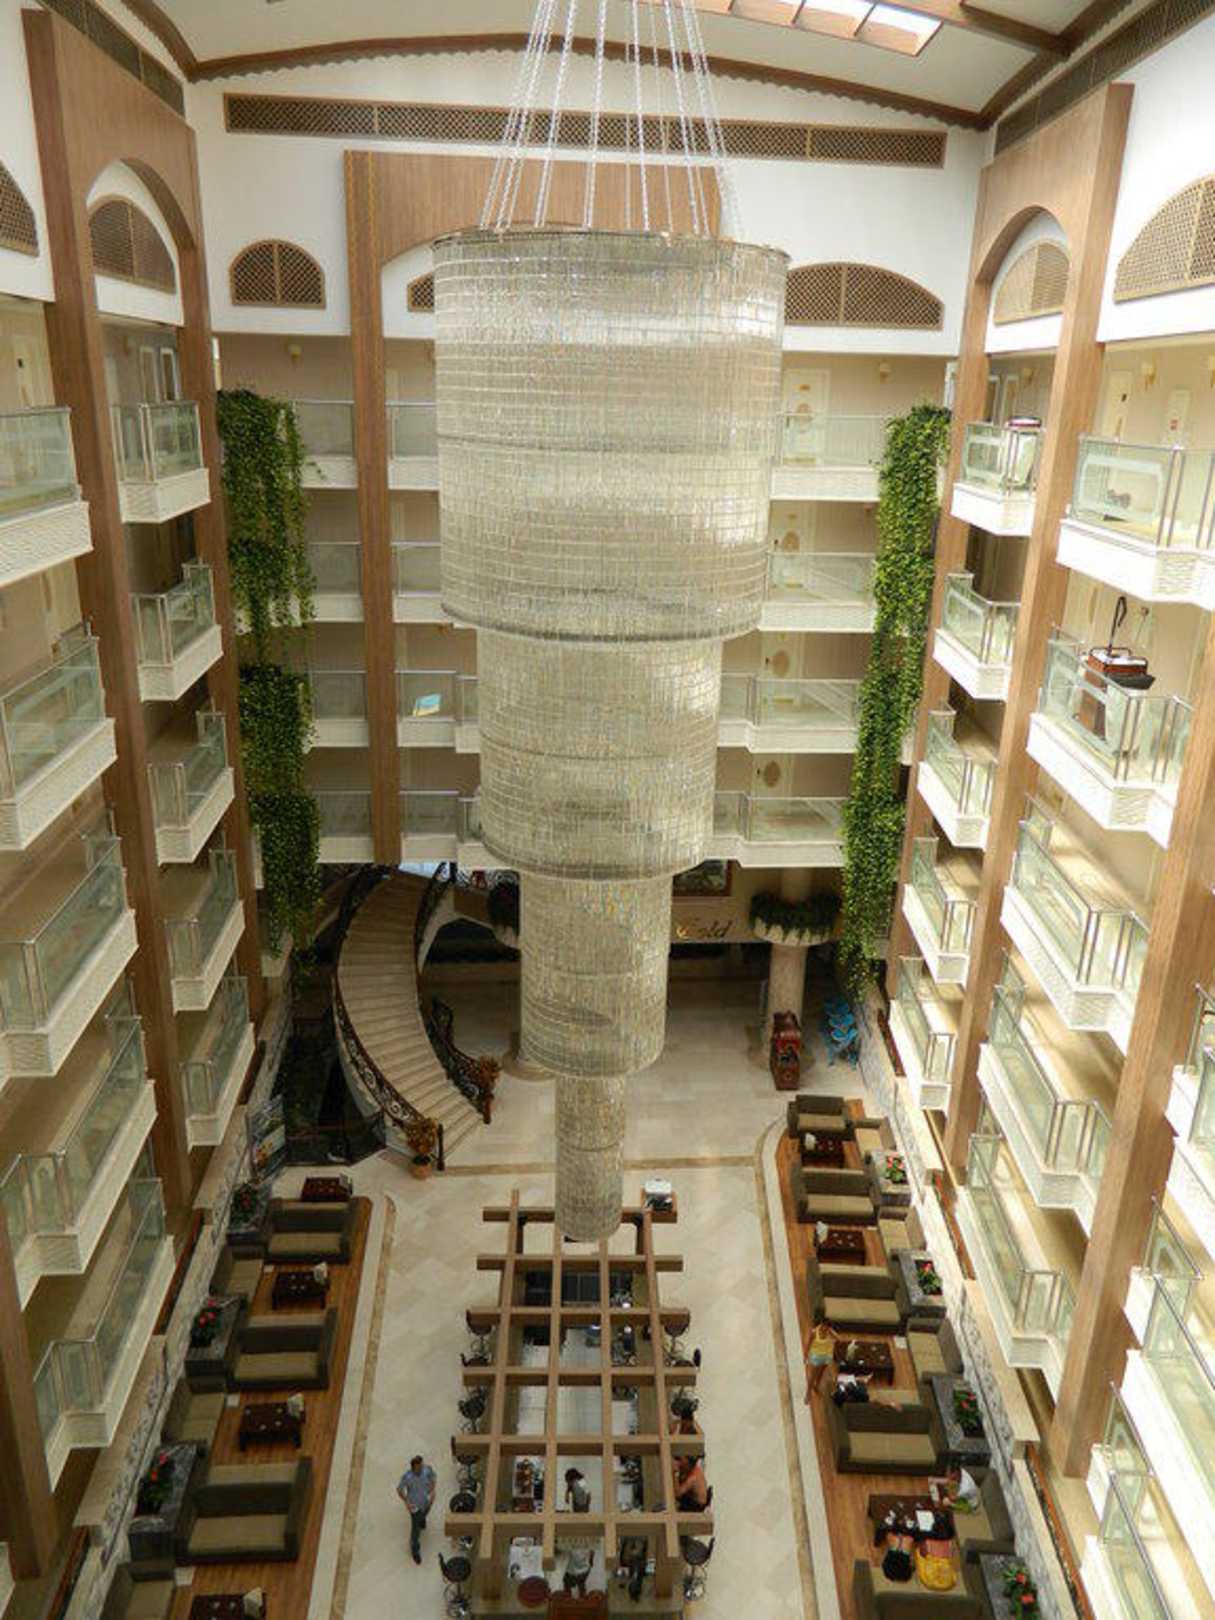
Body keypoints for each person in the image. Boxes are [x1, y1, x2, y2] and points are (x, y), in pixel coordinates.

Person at [397, 1453, 437, 1565]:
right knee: (415, 1531)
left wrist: (432, 1491)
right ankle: (415, 1550)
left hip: (426, 1502)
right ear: (413, 1467)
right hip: (415, 1506)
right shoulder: (407, 1477)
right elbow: (399, 1490)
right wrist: (406, 1502)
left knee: (424, 1515)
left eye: (421, 1466)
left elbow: (433, 1477)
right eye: (418, 1467)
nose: (420, 1469)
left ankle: (422, 1521)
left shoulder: (427, 1470)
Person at [806, 1311, 837, 1396]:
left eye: (827, 1327)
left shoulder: (829, 1332)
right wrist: (805, 1355)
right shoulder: (814, 1332)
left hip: (826, 1355)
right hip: (817, 1355)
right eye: (825, 1326)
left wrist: (831, 1331)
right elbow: (808, 1343)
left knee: (821, 1372)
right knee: (813, 1374)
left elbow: (839, 1338)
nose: (825, 1328)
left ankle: (816, 1385)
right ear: (822, 1324)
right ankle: (809, 1391)